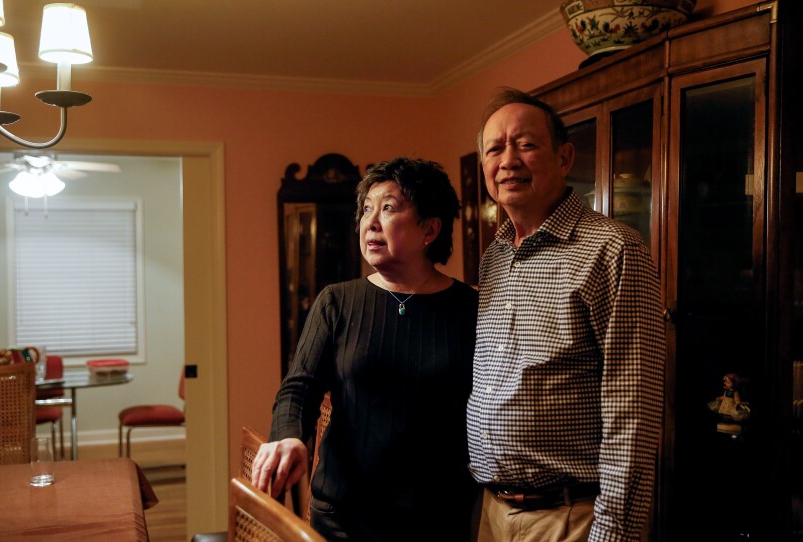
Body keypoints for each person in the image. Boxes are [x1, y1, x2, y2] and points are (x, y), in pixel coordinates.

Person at [466, 87, 665, 541]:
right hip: (493, 511)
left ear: (565, 157)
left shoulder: (614, 249)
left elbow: (633, 411)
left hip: (569, 516)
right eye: (495, 148)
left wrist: (614, 533)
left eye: (527, 144)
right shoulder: (495, 255)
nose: (508, 160)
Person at [252, 156, 480, 541]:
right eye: (366, 209)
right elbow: (299, 388)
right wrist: (290, 435)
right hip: (346, 515)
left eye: (388, 208)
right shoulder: (336, 302)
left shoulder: (470, 309)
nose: (370, 222)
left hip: (441, 516)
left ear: (430, 229)